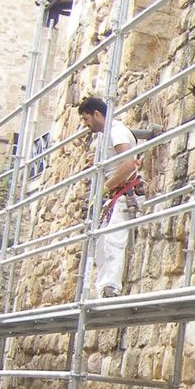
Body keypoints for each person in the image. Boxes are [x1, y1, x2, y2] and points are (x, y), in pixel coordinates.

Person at [77, 95, 142, 297]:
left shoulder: (117, 131)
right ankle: (104, 287)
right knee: (103, 243)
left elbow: (129, 163)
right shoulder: (108, 135)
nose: (86, 125)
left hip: (123, 193)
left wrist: (106, 187)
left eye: (87, 119)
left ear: (97, 114)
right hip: (116, 194)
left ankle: (111, 287)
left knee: (113, 240)